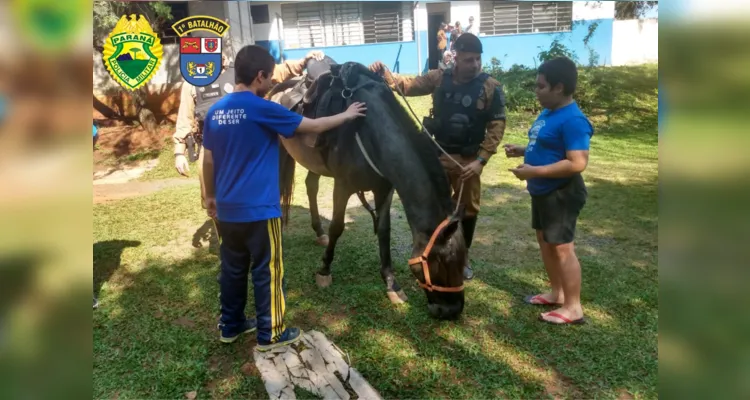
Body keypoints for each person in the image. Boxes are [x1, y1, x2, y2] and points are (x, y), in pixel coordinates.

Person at [201, 45, 367, 349]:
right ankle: (272, 332)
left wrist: (209, 196)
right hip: (260, 211)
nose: (271, 83)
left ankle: (231, 325)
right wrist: (346, 114)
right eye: (269, 77)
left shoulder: (215, 111)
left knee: (233, 268)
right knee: (268, 269)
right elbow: (313, 126)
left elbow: (208, 161)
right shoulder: (262, 108)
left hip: (226, 211)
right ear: (259, 76)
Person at [369, 33, 507, 281]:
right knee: (436, 207)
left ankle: (463, 257)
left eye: (477, 59)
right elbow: (407, 86)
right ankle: (434, 250)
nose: (474, 65)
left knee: (467, 210)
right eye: (468, 60)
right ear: (456, 58)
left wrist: (481, 161)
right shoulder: (439, 78)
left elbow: (497, 127)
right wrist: (385, 73)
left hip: (468, 163)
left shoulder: (491, 87)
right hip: (436, 158)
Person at [173, 50, 326, 212]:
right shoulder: (192, 82)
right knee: (212, 198)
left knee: (254, 188)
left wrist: (303, 62)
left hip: (248, 140)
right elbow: (185, 117)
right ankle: (223, 228)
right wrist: (179, 152)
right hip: (212, 143)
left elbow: (276, 72)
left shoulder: (241, 72)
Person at [504, 57, 593, 325]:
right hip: (542, 192)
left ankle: (574, 307)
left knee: (563, 248)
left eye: (541, 86)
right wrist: (523, 150)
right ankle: (557, 292)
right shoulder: (548, 112)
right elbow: (546, 145)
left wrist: (533, 171)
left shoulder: (573, 120)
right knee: (546, 242)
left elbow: (577, 162)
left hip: (561, 193)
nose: (537, 91)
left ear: (559, 87)